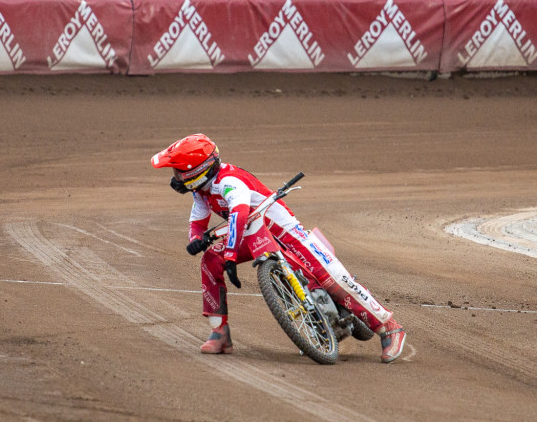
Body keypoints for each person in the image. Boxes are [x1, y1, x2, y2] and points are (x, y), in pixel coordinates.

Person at [150, 133, 406, 363]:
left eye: (178, 173)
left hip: (285, 232)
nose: (175, 178)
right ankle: (219, 333)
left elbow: (239, 215)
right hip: (252, 233)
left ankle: (389, 327)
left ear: (198, 171)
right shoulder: (202, 191)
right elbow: (197, 221)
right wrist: (196, 238)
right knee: (209, 260)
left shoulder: (228, 181)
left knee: (331, 279)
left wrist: (230, 255)